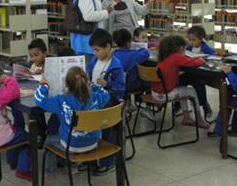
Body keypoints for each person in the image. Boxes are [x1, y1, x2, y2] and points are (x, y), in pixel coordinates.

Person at [34, 67, 110, 181]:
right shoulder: (97, 98)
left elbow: (40, 100)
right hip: (93, 143)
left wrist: (43, 85)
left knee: (49, 141)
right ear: (85, 82)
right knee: (71, 136)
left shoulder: (61, 100)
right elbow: (105, 93)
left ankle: (49, 172)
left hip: (72, 145)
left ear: (65, 85)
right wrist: (93, 85)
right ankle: (73, 167)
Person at [86, 28, 125, 175]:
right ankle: (88, 158)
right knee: (86, 125)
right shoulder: (95, 60)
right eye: (93, 50)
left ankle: (108, 162)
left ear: (108, 47)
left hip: (110, 104)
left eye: (97, 50)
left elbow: (121, 87)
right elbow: (90, 77)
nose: (94, 53)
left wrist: (107, 84)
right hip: (95, 101)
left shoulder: (115, 65)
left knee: (106, 131)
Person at [152, 35, 210, 129]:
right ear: (181, 48)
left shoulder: (162, 56)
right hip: (165, 94)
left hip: (155, 93)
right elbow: (193, 63)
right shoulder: (175, 57)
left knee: (182, 87)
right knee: (192, 91)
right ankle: (199, 119)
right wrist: (200, 60)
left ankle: (186, 117)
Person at [71, 0, 113, 71]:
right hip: (86, 39)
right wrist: (105, 12)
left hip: (86, 38)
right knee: (87, 69)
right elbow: (88, 16)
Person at [112, 29, 154, 120]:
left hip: (117, 86)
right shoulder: (134, 54)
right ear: (128, 43)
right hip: (133, 85)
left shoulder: (113, 54)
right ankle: (148, 108)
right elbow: (146, 53)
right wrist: (141, 47)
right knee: (152, 81)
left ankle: (127, 103)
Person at [176, 25, 215, 119]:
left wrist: (205, 57)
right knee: (178, 82)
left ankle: (204, 105)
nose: (191, 42)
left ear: (201, 38)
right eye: (189, 40)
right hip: (188, 72)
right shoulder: (188, 48)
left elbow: (213, 58)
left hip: (200, 75)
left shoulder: (207, 49)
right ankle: (177, 104)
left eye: (193, 40)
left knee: (199, 85)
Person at [19, 38, 48, 147]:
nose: (33, 58)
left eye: (36, 55)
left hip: (46, 93)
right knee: (33, 111)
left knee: (38, 111)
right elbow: (26, 65)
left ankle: (41, 133)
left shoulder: (49, 63)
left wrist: (43, 72)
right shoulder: (32, 63)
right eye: (31, 56)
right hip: (34, 91)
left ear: (45, 53)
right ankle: (38, 133)